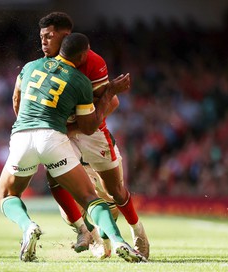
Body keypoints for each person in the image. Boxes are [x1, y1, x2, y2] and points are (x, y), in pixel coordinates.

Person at [0, 33, 146, 263]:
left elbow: (16, 99)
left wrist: (26, 123)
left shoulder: (30, 66)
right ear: (82, 55)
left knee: (7, 195)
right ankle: (117, 241)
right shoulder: (80, 80)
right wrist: (110, 92)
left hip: (22, 135)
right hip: (54, 137)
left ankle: (28, 227)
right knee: (90, 198)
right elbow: (88, 126)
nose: (45, 41)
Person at [35, 12, 150, 259]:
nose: (43, 42)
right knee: (55, 181)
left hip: (93, 131)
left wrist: (76, 127)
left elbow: (113, 102)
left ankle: (137, 231)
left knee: (116, 191)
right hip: (63, 134)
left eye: (49, 36)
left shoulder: (92, 62)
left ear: (66, 37)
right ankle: (89, 234)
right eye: (41, 37)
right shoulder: (44, 65)